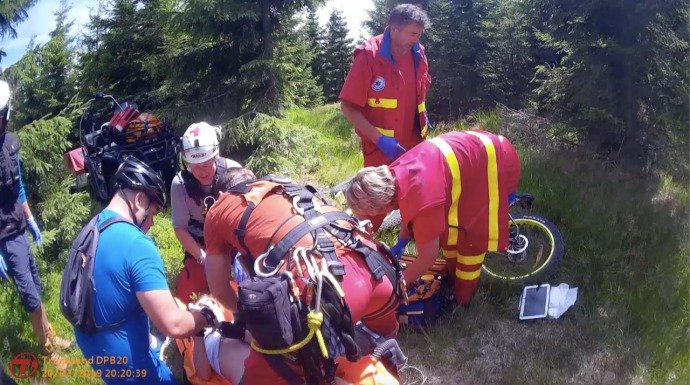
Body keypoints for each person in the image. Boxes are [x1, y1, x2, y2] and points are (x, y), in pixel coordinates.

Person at [203, 168, 402, 385]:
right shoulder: (285, 186)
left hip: (322, 290)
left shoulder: (219, 208)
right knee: (378, 331)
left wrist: (248, 323)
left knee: (263, 376)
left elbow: (220, 291)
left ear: (221, 193)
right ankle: (381, 353)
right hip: (379, 270)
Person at [73, 156, 219, 385]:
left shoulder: (93, 227)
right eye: (151, 214)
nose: (150, 224)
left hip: (96, 349)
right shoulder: (136, 244)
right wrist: (206, 317)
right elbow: (174, 324)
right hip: (131, 367)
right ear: (139, 199)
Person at [345, 129, 521, 307]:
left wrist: (395, 288)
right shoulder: (390, 176)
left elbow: (427, 258)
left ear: (382, 205)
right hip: (476, 157)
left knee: (469, 242)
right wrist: (403, 238)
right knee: (450, 236)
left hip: (496, 163)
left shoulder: (422, 195)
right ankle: (453, 280)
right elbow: (404, 201)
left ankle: (462, 303)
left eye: (371, 213)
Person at [0, 79, 72, 366]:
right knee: (29, 295)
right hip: (3, 237)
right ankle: (49, 352)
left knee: (36, 284)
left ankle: (50, 335)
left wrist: (31, 220)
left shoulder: (11, 142)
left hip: (19, 227)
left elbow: (18, 188)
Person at [340, 4, 432, 168]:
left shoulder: (419, 53)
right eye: (412, 34)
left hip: (415, 150)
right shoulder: (369, 55)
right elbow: (348, 107)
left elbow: (420, 94)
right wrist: (380, 140)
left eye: (419, 34)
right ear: (394, 29)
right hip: (380, 154)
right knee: (381, 193)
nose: (416, 39)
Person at [171, 122, 241, 303]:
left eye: (206, 165)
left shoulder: (234, 172)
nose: (202, 172)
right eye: (195, 167)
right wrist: (202, 257)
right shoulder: (180, 185)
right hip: (201, 244)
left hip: (233, 242)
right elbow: (180, 228)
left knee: (246, 290)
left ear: (216, 157)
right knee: (188, 293)